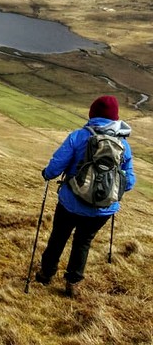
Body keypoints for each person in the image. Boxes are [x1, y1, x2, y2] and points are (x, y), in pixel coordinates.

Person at [36, 95, 135, 297]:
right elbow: (130, 183)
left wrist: (47, 173)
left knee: (59, 236)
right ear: (115, 118)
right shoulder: (123, 144)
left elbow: (56, 167)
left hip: (71, 202)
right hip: (103, 210)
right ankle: (72, 283)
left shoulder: (78, 136)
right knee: (83, 242)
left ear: (92, 114)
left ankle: (46, 274)